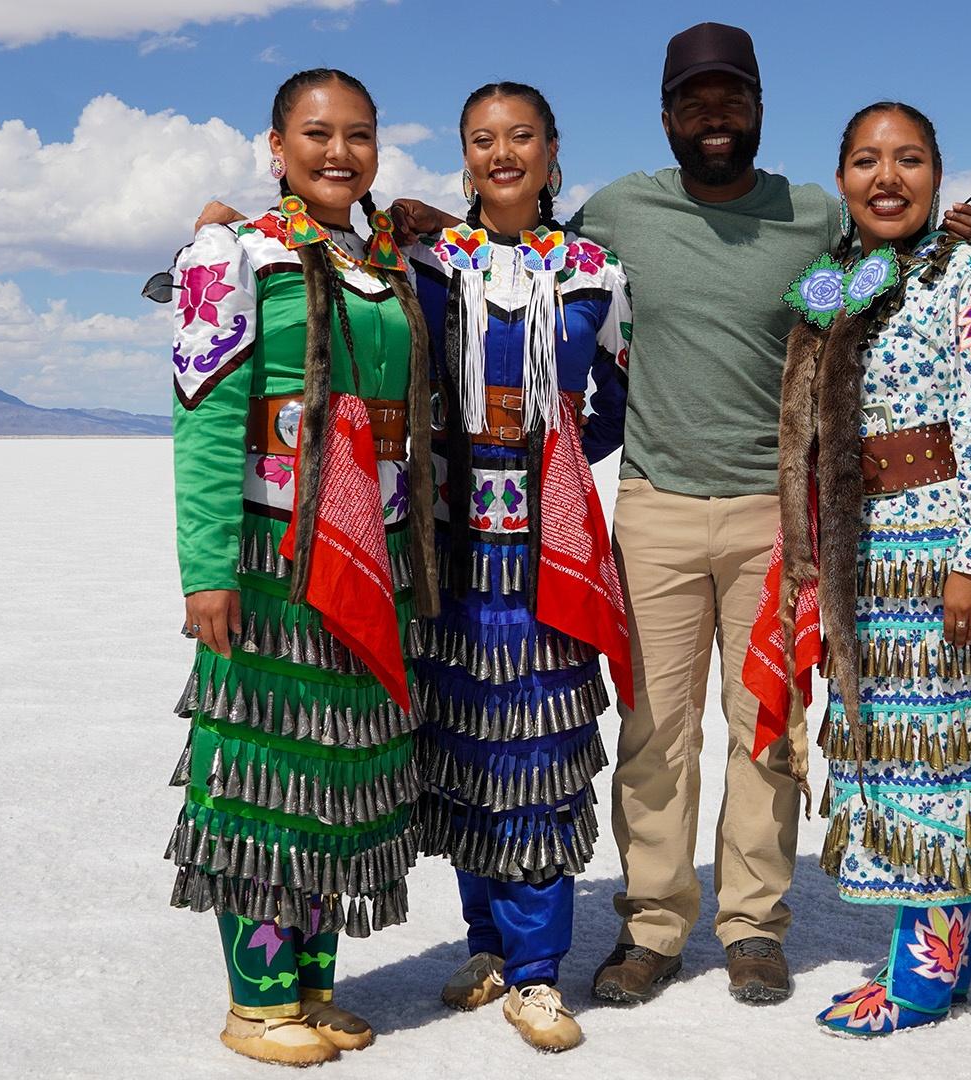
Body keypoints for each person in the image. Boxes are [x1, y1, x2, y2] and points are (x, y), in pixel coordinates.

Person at [381, 22, 971, 1007]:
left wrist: (948, 236)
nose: (714, 115)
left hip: (775, 514)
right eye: (693, 101)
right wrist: (407, 223)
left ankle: (753, 925)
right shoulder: (619, 211)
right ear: (667, 116)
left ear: (757, 106)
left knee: (766, 726)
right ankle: (656, 925)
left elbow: (880, 255)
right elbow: (513, 239)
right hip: (655, 507)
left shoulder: (806, 213)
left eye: (731, 98)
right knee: (655, 730)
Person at [746, 101, 971, 1036]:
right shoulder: (838, 282)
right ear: (841, 179)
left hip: (941, 547)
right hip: (862, 553)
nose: (887, 177)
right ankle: (936, 962)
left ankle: (918, 980)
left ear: (937, 174)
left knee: (942, 758)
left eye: (908, 159)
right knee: (897, 756)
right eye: (867, 161)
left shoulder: (968, 278)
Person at [162, 68, 437, 1066]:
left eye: (358, 135)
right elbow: (203, 428)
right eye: (315, 134)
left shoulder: (386, 262)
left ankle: (315, 990)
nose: (338, 152)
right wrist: (206, 572)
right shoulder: (230, 255)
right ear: (274, 146)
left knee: (337, 767)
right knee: (265, 774)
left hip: (378, 559)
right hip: (274, 563)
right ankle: (258, 1004)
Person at [402, 81, 631, 1053]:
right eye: (483, 140)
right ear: (465, 158)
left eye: (521, 137)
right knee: (465, 744)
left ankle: (539, 975)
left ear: (550, 150)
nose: (503, 153)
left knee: (538, 750)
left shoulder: (593, 273)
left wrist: (555, 457)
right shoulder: (429, 263)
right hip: (450, 546)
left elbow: (617, 399)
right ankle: (486, 941)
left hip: (547, 548)